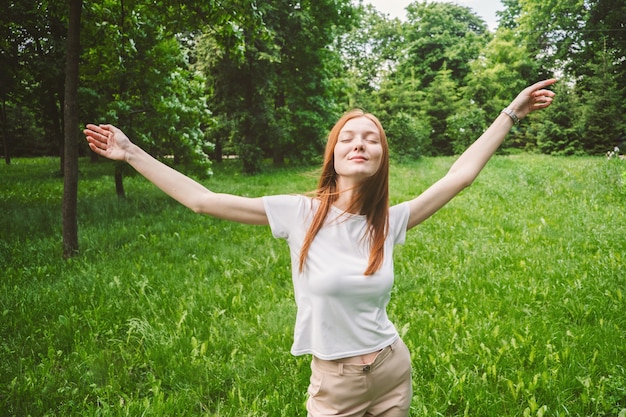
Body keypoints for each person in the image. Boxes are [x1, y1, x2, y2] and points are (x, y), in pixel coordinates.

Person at [84, 79, 556, 416]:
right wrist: (130, 153)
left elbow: (461, 175)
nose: (360, 143)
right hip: (335, 385)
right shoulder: (299, 212)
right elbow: (203, 201)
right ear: (333, 154)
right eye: (348, 137)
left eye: (371, 139)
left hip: (393, 369)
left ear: (380, 159)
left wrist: (511, 112)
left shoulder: (389, 221)